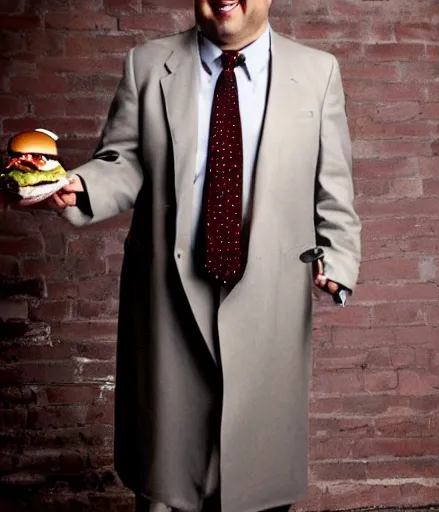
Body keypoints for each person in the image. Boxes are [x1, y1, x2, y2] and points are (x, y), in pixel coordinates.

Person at [50, 0, 361, 511]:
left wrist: (340, 259)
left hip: (270, 295)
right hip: (169, 290)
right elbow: (123, 160)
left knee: (259, 469)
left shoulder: (318, 71)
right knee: (167, 470)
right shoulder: (148, 64)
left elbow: (334, 187)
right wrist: (80, 186)